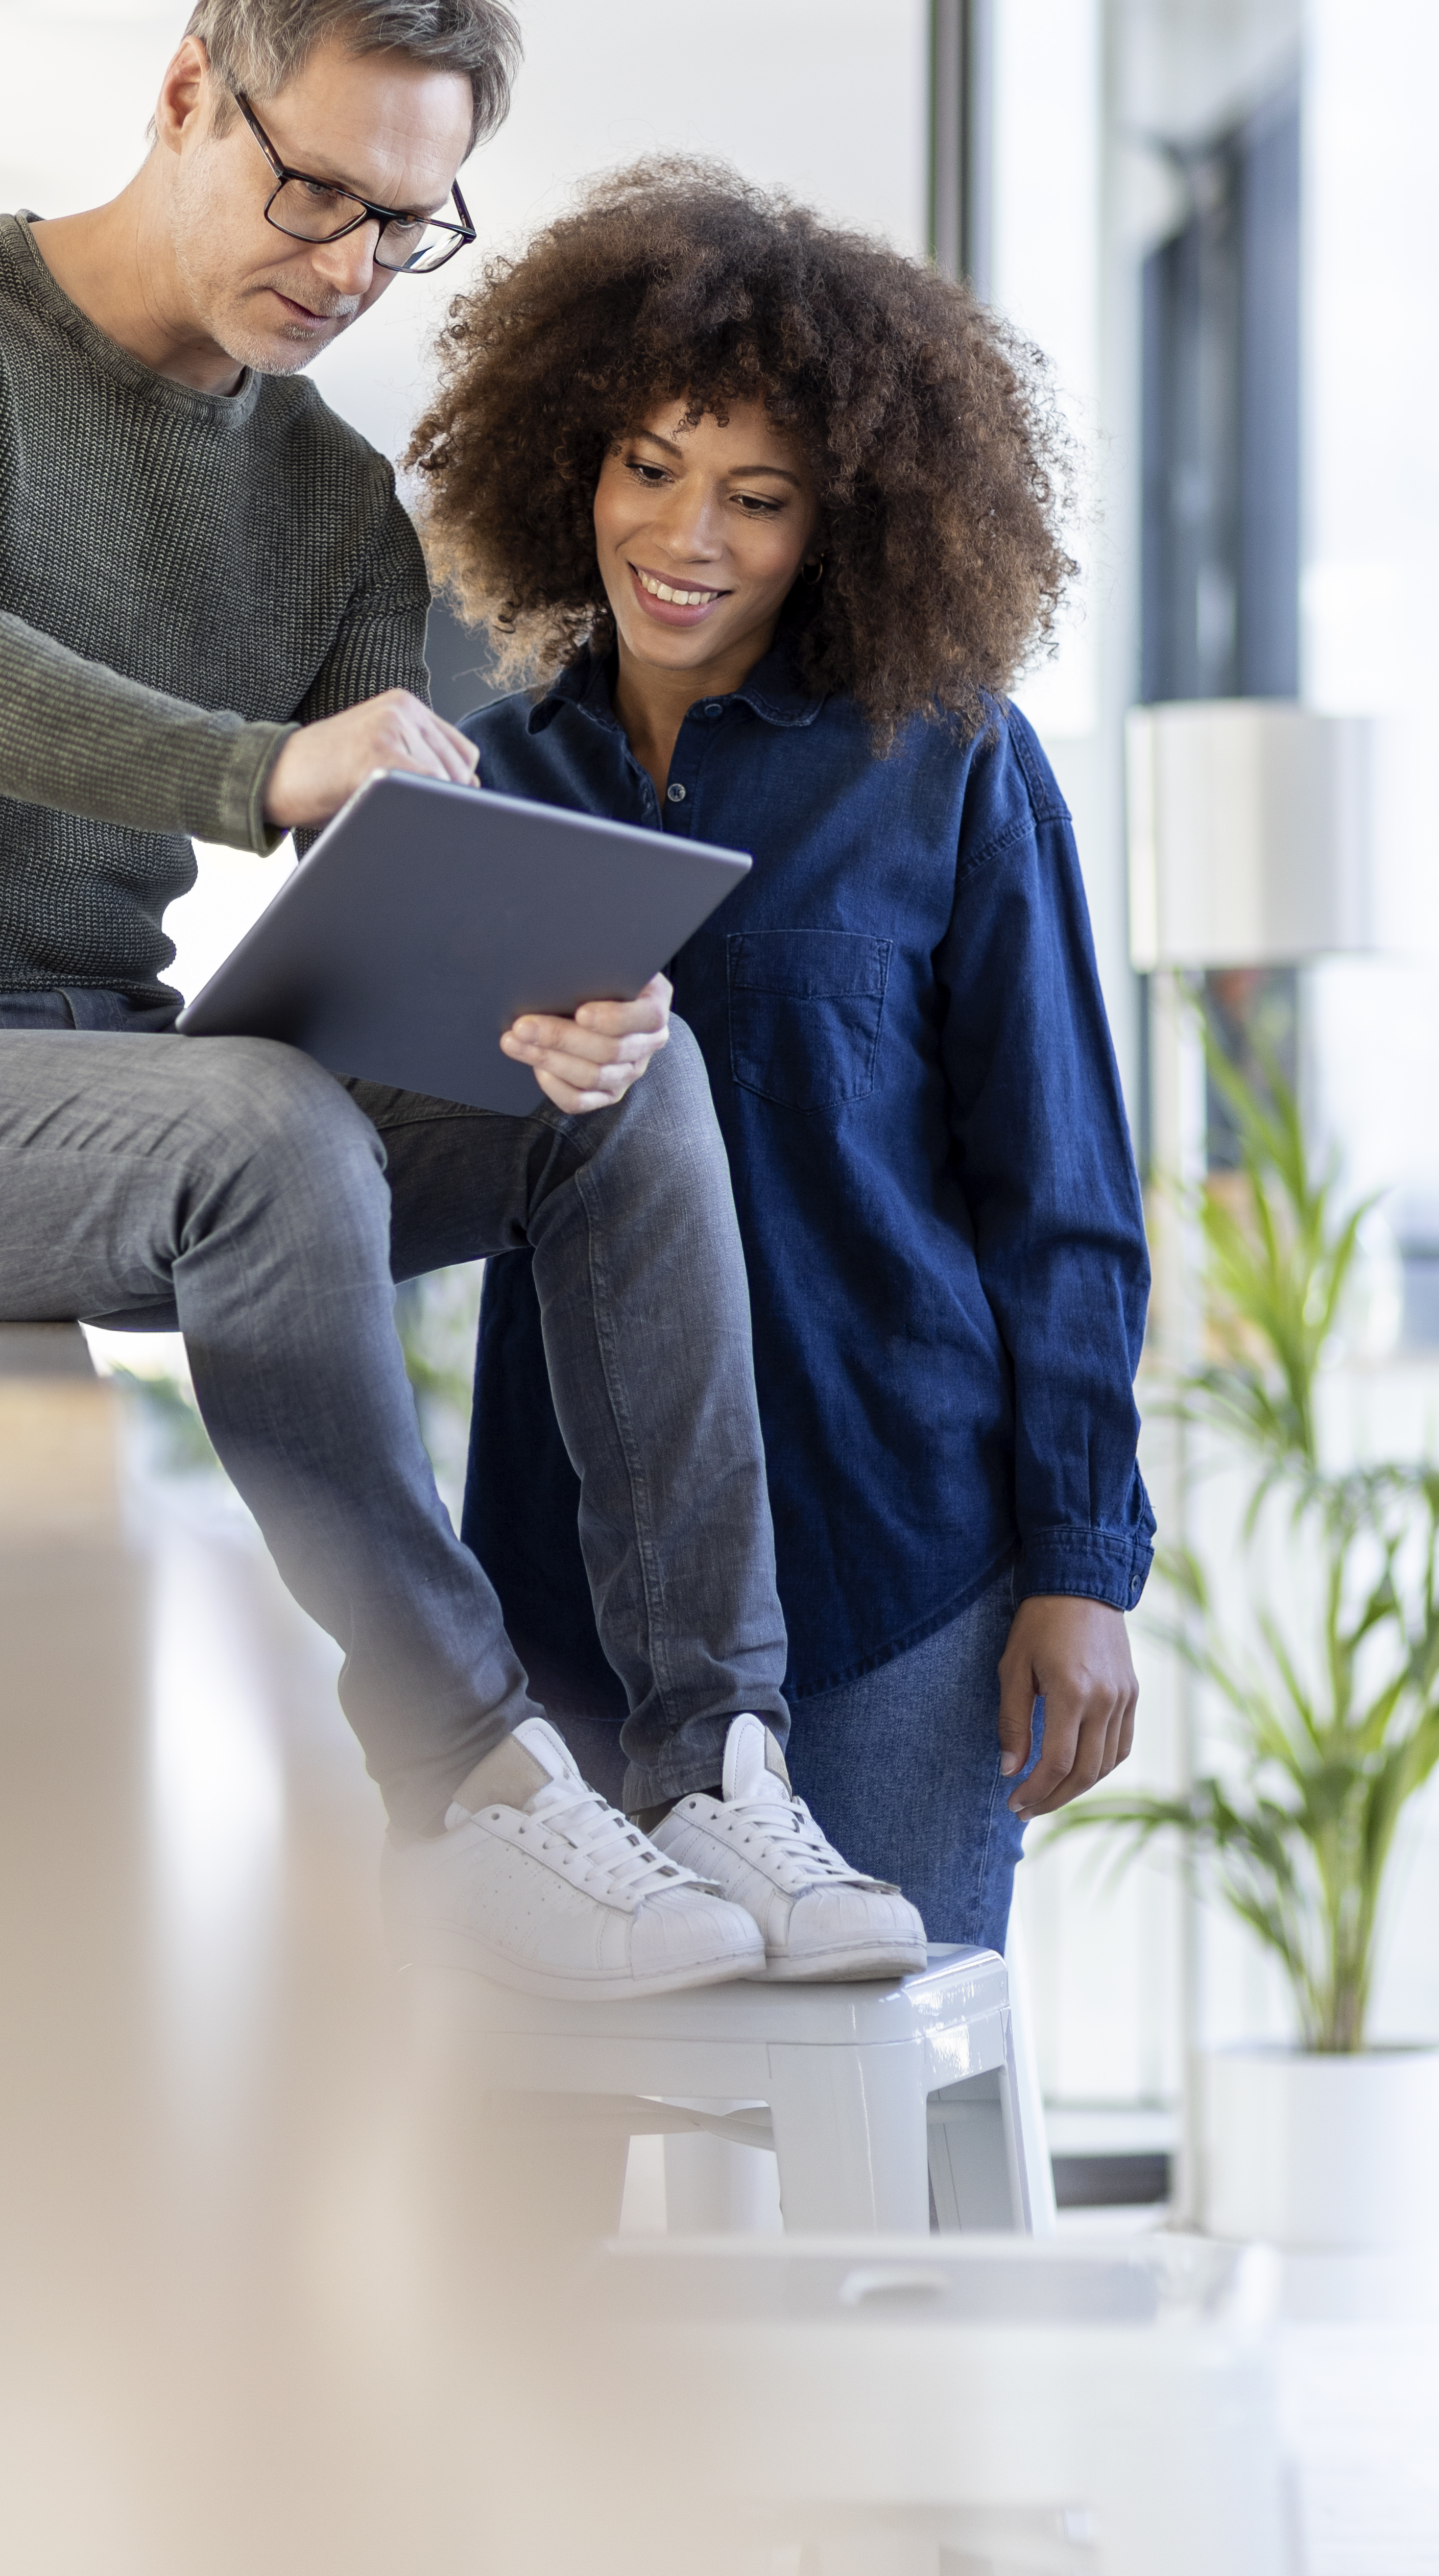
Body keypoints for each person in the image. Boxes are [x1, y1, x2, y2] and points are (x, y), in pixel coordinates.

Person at [0, 0, 913, 2001]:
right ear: (183, 99)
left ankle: (708, 1762)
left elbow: (392, 880)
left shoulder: (328, 501)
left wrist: (549, 1003)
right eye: (313, 191)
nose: (347, 267)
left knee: (625, 1076)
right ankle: (470, 1782)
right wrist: (255, 766)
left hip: (88, 1081)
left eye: (404, 227)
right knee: (261, 1129)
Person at [406, 156, 1153, 1956]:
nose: (689, 538)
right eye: (649, 468)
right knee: (520, 2157)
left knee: (877, 2130)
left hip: (896, 1573)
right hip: (567, 1579)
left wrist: (1080, 1566)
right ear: (571, 462)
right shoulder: (483, 779)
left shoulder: (949, 765)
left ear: (842, 524)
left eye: (761, 497)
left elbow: (1060, 1194)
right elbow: (392, 1167)